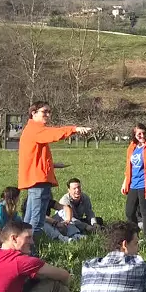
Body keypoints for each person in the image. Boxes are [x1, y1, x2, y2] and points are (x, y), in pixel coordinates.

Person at [18, 101, 90, 241]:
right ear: (33, 113)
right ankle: (32, 251)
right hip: (38, 180)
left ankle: (21, 250)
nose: (48, 115)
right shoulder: (35, 129)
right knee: (36, 221)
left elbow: (34, 157)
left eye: (49, 112)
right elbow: (54, 133)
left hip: (34, 180)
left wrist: (52, 164)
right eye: (45, 111)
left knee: (28, 219)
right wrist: (74, 129)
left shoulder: (30, 130)